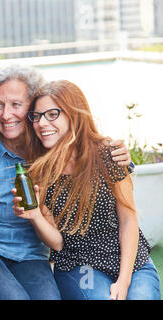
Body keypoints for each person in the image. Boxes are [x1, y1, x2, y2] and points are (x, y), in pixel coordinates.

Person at [0, 64, 132, 300]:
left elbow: (85, 147)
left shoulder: (48, 143)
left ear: (33, 107)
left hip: (30, 255)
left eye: (16, 105)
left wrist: (122, 156)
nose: (5, 114)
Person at [12, 79, 161, 300]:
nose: (42, 123)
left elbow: (128, 220)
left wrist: (124, 281)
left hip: (132, 263)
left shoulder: (108, 154)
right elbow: (58, 242)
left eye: (52, 114)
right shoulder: (36, 172)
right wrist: (35, 217)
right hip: (80, 266)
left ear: (74, 115)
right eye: (37, 116)